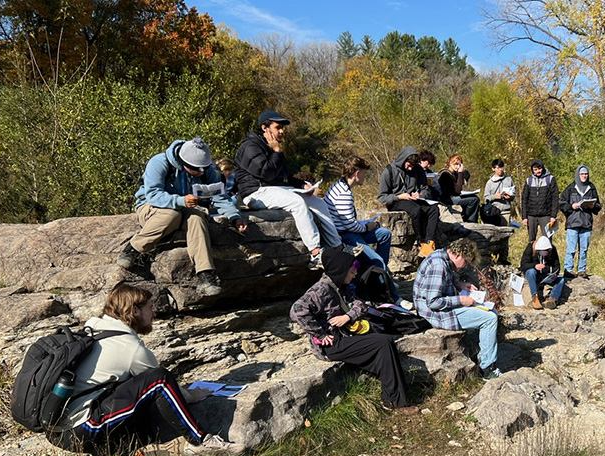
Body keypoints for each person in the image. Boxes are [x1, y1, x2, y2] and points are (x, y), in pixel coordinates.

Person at [46, 284, 242, 456]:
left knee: (137, 394)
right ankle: (201, 441)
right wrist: (192, 395)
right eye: (150, 307)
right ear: (135, 310)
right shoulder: (131, 348)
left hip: (56, 432)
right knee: (160, 379)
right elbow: (165, 388)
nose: (154, 313)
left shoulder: (92, 329)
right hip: (82, 429)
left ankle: (122, 452)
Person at [290, 249, 419, 415]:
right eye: (351, 272)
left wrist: (347, 317)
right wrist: (320, 334)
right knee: (383, 343)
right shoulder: (320, 290)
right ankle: (394, 402)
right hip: (331, 344)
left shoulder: (341, 286)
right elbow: (297, 311)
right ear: (340, 271)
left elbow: (360, 305)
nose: (355, 274)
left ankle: (395, 398)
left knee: (384, 343)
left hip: (345, 335)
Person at [117, 138, 248, 296]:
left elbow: (219, 196)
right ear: (183, 162)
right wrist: (180, 201)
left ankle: (206, 275)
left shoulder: (206, 171)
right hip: (153, 207)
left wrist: (234, 217)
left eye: (204, 168)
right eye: (196, 169)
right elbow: (153, 195)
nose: (201, 173)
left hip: (185, 208)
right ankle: (133, 249)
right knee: (172, 214)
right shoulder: (159, 163)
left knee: (197, 218)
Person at [234, 110, 342, 269]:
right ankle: (316, 253)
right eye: (278, 127)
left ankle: (338, 247)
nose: (282, 131)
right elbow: (266, 173)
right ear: (264, 127)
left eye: (283, 128)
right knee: (297, 202)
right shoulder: (250, 146)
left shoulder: (271, 147)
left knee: (318, 202)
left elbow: (285, 177)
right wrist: (277, 152)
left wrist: (303, 185)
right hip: (255, 193)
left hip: (273, 189)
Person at [324, 156, 412, 309]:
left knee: (384, 234)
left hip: (349, 230)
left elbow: (347, 220)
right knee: (377, 259)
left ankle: (382, 276)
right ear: (357, 173)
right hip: (346, 236)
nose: (365, 177)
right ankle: (395, 297)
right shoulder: (344, 194)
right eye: (364, 173)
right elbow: (349, 225)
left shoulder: (339, 186)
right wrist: (366, 227)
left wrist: (365, 224)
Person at [413, 238, 501, 379]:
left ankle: (483, 358)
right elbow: (433, 302)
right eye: (465, 262)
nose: (464, 266)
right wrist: (461, 300)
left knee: (492, 312)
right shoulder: (438, 265)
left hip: (439, 309)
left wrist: (459, 285)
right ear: (458, 254)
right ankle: (487, 368)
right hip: (434, 314)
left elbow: (443, 282)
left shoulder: (443, 258)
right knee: (489, 318)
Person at [377, 146, 440, 257]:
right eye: (409, 165)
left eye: (413, 166)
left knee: (434, 209)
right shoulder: (389, 171)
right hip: (396, 201)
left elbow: (425, 189)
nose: (410, 169)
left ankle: (430, 243)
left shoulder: (418, 170)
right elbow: (382, 197)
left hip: (414, 199)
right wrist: (398, 197)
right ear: (403, 160)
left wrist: (421, 195)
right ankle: (421, 241)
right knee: (416, 210)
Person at [559, 165, 602, 279]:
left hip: (586, 223)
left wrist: (592, 206)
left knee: (584, 249)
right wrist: (571, 206)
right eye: (582, 174)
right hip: (573, 223)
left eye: (586, 174)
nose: (584, 176)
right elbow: (561, 203)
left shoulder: (591, 188)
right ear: (578, 175)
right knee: (571, 249)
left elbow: (598, 206)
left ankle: (582, 270)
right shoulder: (571, 188)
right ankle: (568, 269)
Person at [520, 236, 564, 310]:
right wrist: (535, 266)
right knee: (531, 271)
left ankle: (552, 299)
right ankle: (535, 297)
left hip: (545, 275)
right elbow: (523, 265)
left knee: (561, 280)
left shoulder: (553, 250)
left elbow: (557, 266)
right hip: (533, 275)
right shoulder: (531, 248)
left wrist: (554, 274)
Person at [521, 159, 559, 243]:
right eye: (535, 169)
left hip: (546, 215)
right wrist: (524, 217)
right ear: (532, 170)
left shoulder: (550, 179)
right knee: (531, 241)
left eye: (539, 168)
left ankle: (548, 252)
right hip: (531, 215)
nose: (538, 171)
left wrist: (553, 216)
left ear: (543, 168)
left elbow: (555, 198)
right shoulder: (529, 181)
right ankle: (532, 252)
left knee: (547, 240)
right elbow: (524, 199)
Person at [437, 154, 480, 223]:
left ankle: (469, 218)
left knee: (474, 197)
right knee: (474, 200)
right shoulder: (445, 174)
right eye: (455, 164)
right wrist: (460, 173)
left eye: (459, 165)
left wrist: (461, 173)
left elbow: (463, 181)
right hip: (448, 198)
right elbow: (457, 190)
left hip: (453, 196)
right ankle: (469, 220)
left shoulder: (454, 174)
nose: (457, 167)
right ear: (450, 163)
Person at [483, 158, 515, 226]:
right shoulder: (489, 183)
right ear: (493, 169)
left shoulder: (509, 180)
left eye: (501, 167)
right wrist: (495, 197)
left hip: (506, 212)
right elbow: (486, 197)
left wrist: (510, 197)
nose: (500, 169)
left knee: (507, 231)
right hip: (494, 213)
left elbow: (513, 194)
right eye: (498, 168)